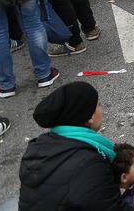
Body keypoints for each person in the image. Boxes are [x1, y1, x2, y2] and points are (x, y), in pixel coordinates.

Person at [19, 81, 122, 210]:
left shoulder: (39, 145)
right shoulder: (90, 164)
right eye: (99, 105)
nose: (102, 110)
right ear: (90, 116)